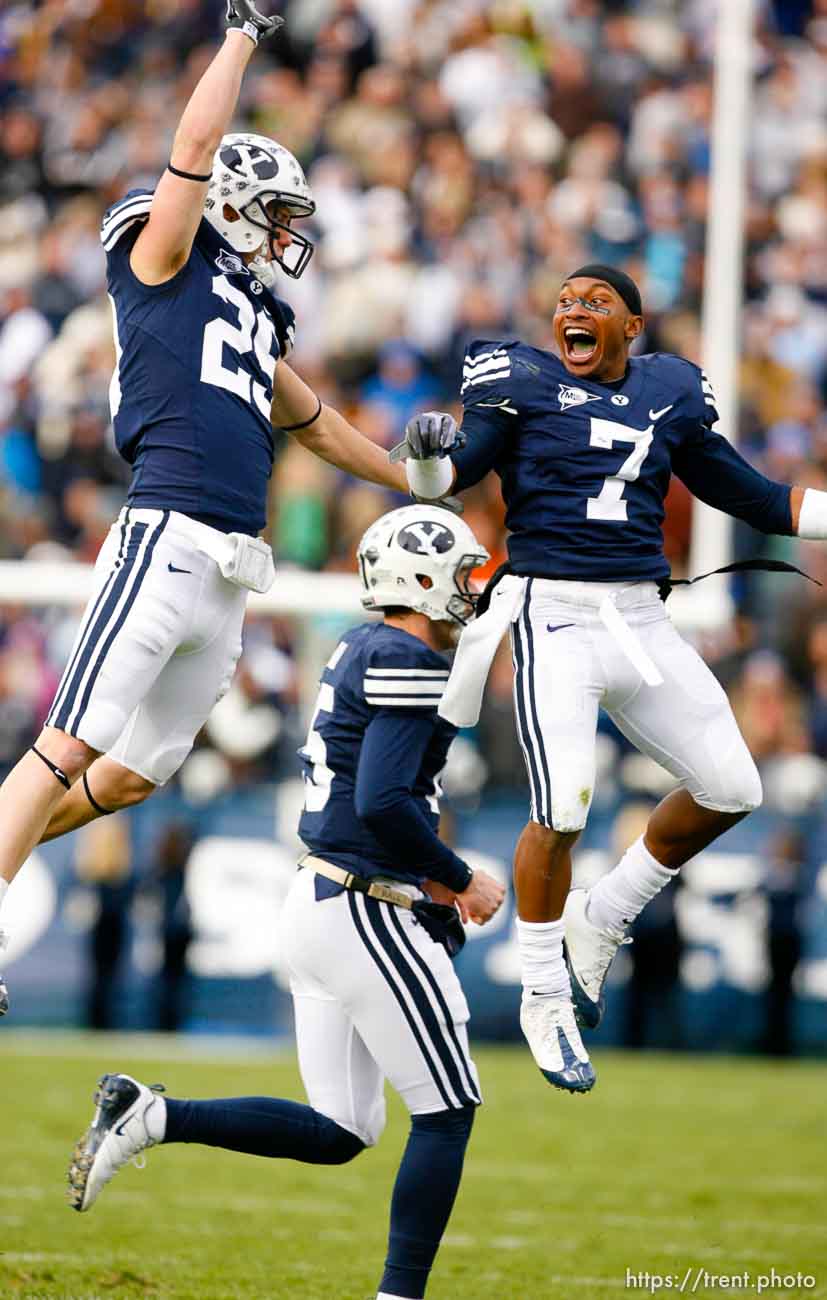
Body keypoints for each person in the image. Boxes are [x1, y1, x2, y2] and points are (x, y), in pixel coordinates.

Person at [0, 0, 407, 1017]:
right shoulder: (162, 259)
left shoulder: (254, 309)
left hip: (229, 569)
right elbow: (190, 144)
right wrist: (243, 34)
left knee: (131, 774)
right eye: (274, 215)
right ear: (227, 204)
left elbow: (313, 423)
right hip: (165, 534)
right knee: (63, 750)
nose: (285, 238)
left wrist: (416, 481)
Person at [395, 264, 827, 1092]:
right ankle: (543, 989)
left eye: (594, 303)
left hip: (637, 618)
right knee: (560, 809)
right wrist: (422, 462)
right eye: (562, 300)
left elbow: (760, 499)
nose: (572, 310)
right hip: (549, 613)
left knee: (733, 786)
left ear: (634, 325)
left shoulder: (669, 389)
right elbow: (453, 475)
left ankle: (602, 915)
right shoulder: (517, 378)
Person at [66, 504, 505, 1300]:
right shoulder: (403, 654)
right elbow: (381, 804)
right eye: (462, 573)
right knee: (447, 1111)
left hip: (323, 898)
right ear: (421, 576)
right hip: (364, 904)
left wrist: (429, 882)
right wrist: (459, 875)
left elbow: (380, 792)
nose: (469, 589)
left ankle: (150, 1116)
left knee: (343, 1131)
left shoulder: (360, 643)